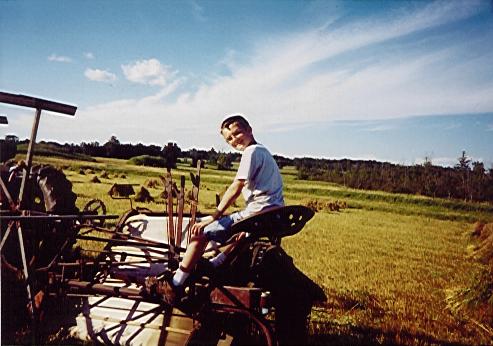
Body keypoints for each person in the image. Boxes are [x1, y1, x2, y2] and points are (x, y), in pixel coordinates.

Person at [150, 114, 284, 304]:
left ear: (249, 130)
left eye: (237, 133)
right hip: (271, 214)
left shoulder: (251, 152)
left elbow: (236, 187)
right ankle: (215, 263)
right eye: (229, 138)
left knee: (200, 231)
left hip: (258, 213)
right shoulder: (264, 152)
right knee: (238, 230)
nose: (234, 139)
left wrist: (213, 216)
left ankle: (176, 284)